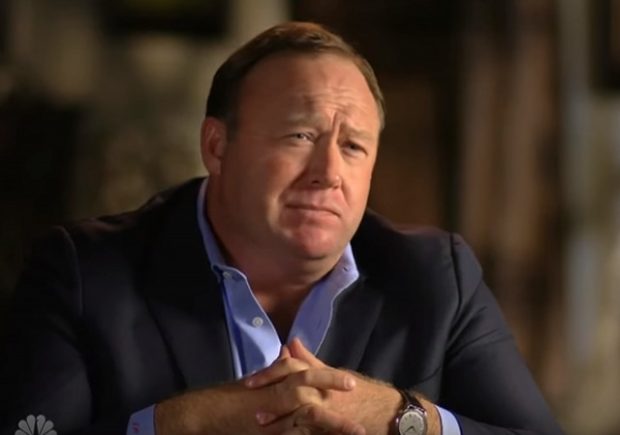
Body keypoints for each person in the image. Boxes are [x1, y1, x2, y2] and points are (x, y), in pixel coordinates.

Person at [0, 22, 564, 435]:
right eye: (300, 136)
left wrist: (404, 418)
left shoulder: (436, 276)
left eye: (353, 146)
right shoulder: (84, 272)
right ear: (217, 146)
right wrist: (183, 424)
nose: (328, 173)